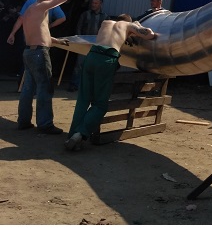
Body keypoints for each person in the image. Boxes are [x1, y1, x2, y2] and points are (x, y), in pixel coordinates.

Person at [64, 14, 156, 151]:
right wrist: (137, 26)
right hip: (107, 60)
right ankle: (80, 133)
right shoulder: (129, 25)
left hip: (92, 56)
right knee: (100, 104)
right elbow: (150, 35)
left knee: (83, 99)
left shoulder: (105, 23)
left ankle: (71, 136)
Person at [8, 0, 69, 134]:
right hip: (39, 53)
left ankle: (23, 121)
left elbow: (41, 33)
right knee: (44, 88)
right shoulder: (41, 6)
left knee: (28, 89)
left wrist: (58, 41)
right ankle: (45, 124)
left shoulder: (31, 9)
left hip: (29, 52)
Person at [66, 0, 108, 91]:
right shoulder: (85, 14)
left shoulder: (105, 17)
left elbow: (106, 32)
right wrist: (79, 40)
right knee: (79, 65)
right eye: (93, 3)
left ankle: (88, 86)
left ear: (100, 4)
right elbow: (79, 27)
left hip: (96, 45)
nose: (93, 5)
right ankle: (74, 84)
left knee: (93, 66)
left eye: (96, 3)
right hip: (83, 44)